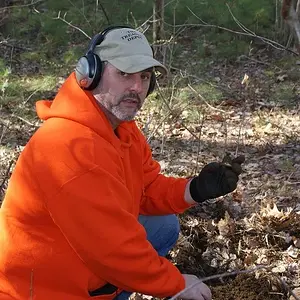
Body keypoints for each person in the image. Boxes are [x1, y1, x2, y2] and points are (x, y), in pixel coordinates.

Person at [0, 25, 244, 300]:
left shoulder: (121, 128)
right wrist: (176, 284)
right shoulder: (69, 147)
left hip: (85, 262)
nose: (136, 87)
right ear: (90, 74)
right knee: (128, 249)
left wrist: (197, 188)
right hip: (43, 291)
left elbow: (147, 188)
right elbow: (112, 248)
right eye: (124, 73)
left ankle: (113, 288)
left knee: (163, 225)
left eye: (144, 76)